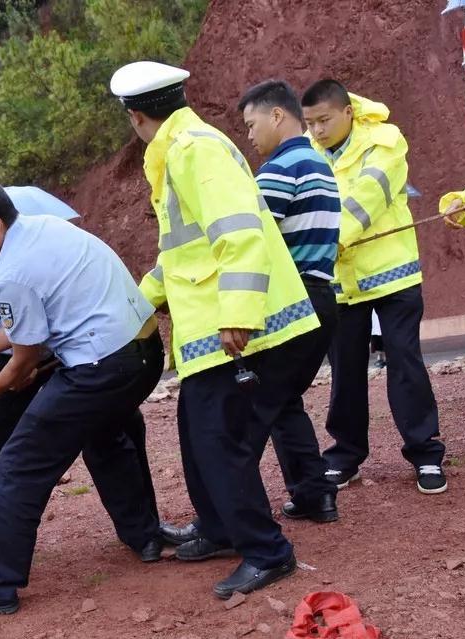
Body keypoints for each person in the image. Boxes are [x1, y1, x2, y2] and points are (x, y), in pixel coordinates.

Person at [111, 61, 321, 598]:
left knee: (220, 442)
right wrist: (134, 307)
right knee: (196, 433)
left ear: (136, 117)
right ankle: (221, 530)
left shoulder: (193, 150)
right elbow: (182, 253)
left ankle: (267, 552)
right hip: (209, 333)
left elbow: (239, 232)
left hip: (242, 328)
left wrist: (239, 312)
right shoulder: (178, 152)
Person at [0, 186, 162, 589]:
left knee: (90, 437)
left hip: (63, 351)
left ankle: (142, 534)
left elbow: (32, 329)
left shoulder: (7, 256)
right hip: (37, 351)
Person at [301, 79, 447, 494]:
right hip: (341, 283)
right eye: (310, 123)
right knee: (345, 371)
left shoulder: (385, 140)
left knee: (404, 363)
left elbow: (370, 195)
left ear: (347, 111)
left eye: (324, 120)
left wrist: (327, 241)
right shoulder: (309, 152)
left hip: (392, 275)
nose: (317, 131)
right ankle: (345, 456)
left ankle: (425, 454)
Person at [237, 79, 341, 523]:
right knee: (283, 402)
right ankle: (314, 494)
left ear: (276, 115)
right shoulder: (317, 164)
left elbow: (250, 238)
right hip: (322, 298)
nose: (249, 135)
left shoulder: (279, 170)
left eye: (251, 123)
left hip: (292, 302)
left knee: (249, 412)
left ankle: (230, 518)